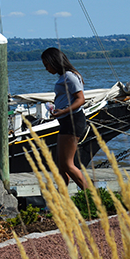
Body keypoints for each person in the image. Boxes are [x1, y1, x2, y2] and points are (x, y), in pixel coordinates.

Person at [41, 47, 88, 190]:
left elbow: (81, 99)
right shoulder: (65, 77)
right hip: (66, 120)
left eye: (47, 65)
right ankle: (62, 198)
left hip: (72, 121)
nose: (46, 69)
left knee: (67, 164)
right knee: (61, 164)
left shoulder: (70, 76)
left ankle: (93, 197)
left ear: (54, 62)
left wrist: (63, 112)